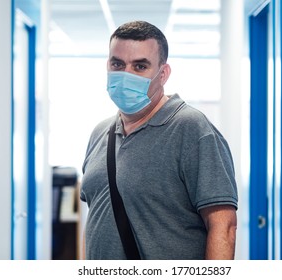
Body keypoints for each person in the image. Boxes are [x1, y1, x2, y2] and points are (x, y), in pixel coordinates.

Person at [80, 20, 238, 260]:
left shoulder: (192, 129)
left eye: (140, 66)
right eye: (118, 64)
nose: (126, 75)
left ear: (163, 74)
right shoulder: (101, 132)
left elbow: (224, 227)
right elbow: (97, 220)